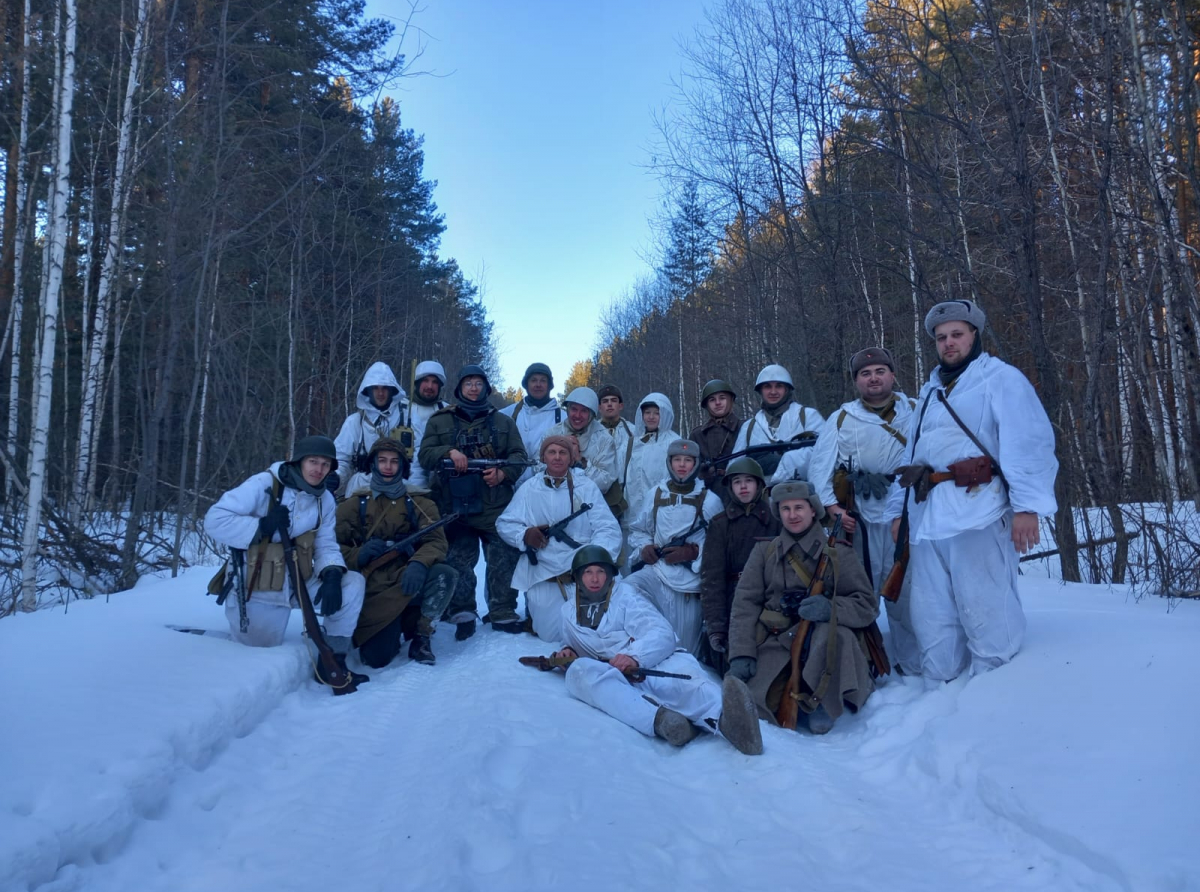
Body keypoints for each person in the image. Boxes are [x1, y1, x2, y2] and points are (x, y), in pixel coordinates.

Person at [887, 300, 1058, 681]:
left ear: (974, 336)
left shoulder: (1001, 378)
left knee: (984, 600)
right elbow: (912, 454)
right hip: (929, 514)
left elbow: (1028, 443)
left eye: (957, 335)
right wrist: (899, 513)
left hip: (979, 508)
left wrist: (1028, 507)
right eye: (941, 337)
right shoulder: (931, 391)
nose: (948, 343)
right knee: (931, 610)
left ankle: (995, 685)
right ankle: (940, 685)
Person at [549, 545, 763, 755]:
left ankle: (731, 720)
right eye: (588, 573)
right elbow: (570, 643)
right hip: (612, 675)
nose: (594, 579)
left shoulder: (626, 596)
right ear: (578, 576)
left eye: (600, 572)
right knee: (578, 673)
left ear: (609, 575)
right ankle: (664, 722)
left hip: (650, 661)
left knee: (687, 684)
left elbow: (661, 633)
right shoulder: (567, 612)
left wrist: (634, 657)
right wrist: (567, 651)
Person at [204, 435, 368, 691]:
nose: (319, 470)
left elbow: (325, 542)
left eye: (326, 465)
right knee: (255, 659)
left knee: (352, 584)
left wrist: (333, 572)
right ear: (298, 461)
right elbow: (214, 520)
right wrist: (260, 526)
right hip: (258, 587)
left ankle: (333, 661)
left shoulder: (323, 497)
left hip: (300, 580)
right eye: (313, 461)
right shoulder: (264, 484)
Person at [728, 481, 880, 734]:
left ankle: (822, 700)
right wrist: (741, 653)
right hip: (775, 640)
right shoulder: (764, 551)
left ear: (814, 511)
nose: (793, 515)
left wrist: (830, 608)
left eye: (799, 507)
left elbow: (867, 604)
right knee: (755, 703)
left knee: (833, 635)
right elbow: (744, 604)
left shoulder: (837, 552)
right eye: (785, 509)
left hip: (823, 642)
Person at [807, 346, 920, 674]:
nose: (873, 378)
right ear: (856, 381)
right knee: (861, 590)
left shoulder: (915, 408)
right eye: (865, 374)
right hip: (862, 516)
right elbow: (820, 466)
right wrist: (833, 508)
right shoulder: (842, 417)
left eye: (879, 371)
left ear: (892, 375)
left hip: (909, 512)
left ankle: (911, 664)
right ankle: (863, 664)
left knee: (909, 591)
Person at [418, 364, 529, 638]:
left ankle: (502, 611)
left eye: (479, 383)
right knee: (458, 559)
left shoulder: (503, 422)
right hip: (455, 505)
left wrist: (503, 473)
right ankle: (462, 611)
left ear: (486, 389)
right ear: (459, 389)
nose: (474, 388)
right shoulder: (439, 421)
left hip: (495, 503)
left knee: (504, 557)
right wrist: (449, 451)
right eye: (468, 383)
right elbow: (425, 455)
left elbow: (519, 455)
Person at [334, 438, 458, 668]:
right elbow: (331, 546)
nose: (388, 467)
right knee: (376, 659)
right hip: (373, 586)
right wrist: (359, 554)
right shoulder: (354, 504)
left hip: (406, 576)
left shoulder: (420, 502)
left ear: (403, 466)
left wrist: (419, 563)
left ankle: (422, 634)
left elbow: (436, 541)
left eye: (394, 461)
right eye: (382, 461)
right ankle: (397, 619)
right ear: (373, 465)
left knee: (444, 574)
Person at [496, 436, 622, 642]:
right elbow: (505, 523)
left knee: (594, 630)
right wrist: (525, 535)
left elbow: (607, 527)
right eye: (551, 452)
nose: (557, 457)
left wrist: (594, 560)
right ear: (543, 457)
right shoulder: (529, 488)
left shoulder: (586, 486)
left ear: (571, 458)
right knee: (549, 635)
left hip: (581, 571)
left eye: (562, 453)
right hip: (543, 571)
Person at [625, 439, 723, 656]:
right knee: (626, 590)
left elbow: (721, 544)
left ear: (696, 464)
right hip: (657, 573)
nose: (681, 465)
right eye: (677, 459)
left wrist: (694, 552)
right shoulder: (656, 494)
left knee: (684, 651)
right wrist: (645, 548)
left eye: (688, 460)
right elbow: (639, 530)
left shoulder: (710, 501)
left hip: (689, 584)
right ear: (669, 463)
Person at [698, 457, 779, 676]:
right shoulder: (720, 524)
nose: (743, 487)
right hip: (733, 602)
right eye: (737, 482)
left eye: (748, 481)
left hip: (770, 599)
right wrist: (716, 627)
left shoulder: (776, 520)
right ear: (730, 487)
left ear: (759, 485)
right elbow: (712, 580)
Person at [333, 362, 411, 497]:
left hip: (401, 489)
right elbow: (341, 459)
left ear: (392, 390)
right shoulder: (355, 422)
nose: (380, 393)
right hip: (362, 488)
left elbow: (418, 462)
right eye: (375, 388)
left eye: (385, 388)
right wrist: (335, 477)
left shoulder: (409, 418)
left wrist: (414, 489)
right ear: (367, 390)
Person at [738, 363, 823, 481]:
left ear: (787, 389)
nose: (773, 392)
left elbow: (824, 453)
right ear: (761, 391)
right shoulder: (749, 428)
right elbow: (735, 467)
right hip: (760, 496)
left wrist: (784, 461)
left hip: (805, 493)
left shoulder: (808, 417)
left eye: (779, 386)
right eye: (767, 386)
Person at [538, 386, 619, 497]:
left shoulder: (604, 439)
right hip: (554, 497)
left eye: (584, 411)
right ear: (567, 410)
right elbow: (537, 469)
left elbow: (604, 483)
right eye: (574, 409)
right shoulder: (552, 434)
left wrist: (580, 461)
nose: (577, 416)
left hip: (590, 502)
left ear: (591, 414)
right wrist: (560, 459)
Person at [622, 392, 681, 530]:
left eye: (656, 413)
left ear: (664, 414)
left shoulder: (674, 442)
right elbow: (620, 476)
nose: (651, 417)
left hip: (664, 511)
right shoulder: (631, 443)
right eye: (647, 412)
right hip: (632, 513)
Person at [690, 378, 743, 491]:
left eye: (722, 398)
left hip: (741, 490)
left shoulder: (745, 428)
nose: (718, 403)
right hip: (707, 493)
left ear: (731, 400)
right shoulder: (697, 435)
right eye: (712, 400)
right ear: (707, 405)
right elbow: (690, 469)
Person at [501, 362, 561, 460]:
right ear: (526, 384)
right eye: (533, 380)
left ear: (549, 385)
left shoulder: (562, 417)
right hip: (512, 474)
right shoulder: (508, 413)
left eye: (543, 381)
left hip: (548, 474)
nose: (538, 385)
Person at [406, 360, 449, 492]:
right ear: (417, 383)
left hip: (437, 482)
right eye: (426, 380)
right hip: (401, 481)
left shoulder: (447, 411)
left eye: (435, 382)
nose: (430, 386)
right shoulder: (400, 409)